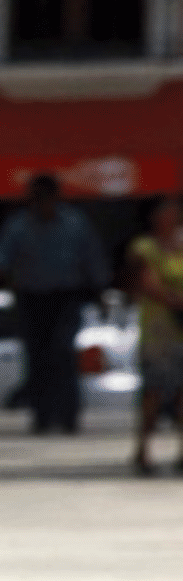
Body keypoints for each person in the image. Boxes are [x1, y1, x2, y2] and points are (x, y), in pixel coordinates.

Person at [0, 173, 109, 435]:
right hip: (32, 299)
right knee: (37, 358)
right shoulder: (18, 225)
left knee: (62, 353)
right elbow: (0, 258)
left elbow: (92, 260)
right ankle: (42, 417)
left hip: (65, 297)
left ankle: (68, 417)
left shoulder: (74, 223)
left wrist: (100, 295)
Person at [126, 194, 183, 474]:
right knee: (154, 391)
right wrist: (177, 302)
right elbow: (147, 284)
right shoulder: (145, 247)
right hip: (159, 330)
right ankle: (143, 449)